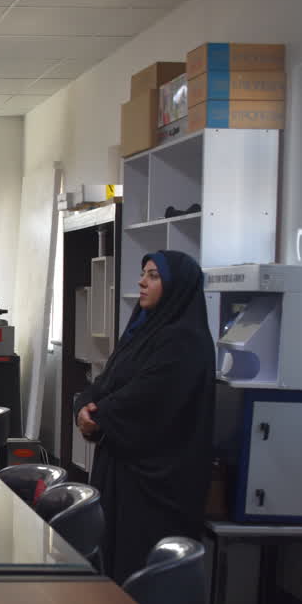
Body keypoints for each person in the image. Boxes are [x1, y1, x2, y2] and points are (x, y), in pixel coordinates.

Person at [73, 250, 215, 583]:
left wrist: (98, 415)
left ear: (177, 286)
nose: (142, 282)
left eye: (153, 276)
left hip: (156, 484)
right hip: (121, 471)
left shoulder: (186, 340)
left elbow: (149, 397)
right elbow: (108, 380)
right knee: (111, 563)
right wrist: (83, 404)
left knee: (140, 571)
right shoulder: (142, 332)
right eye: (143, 274)